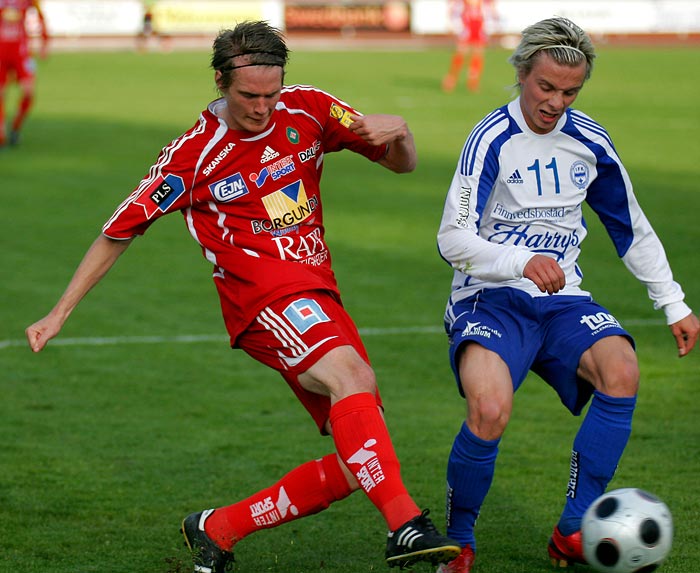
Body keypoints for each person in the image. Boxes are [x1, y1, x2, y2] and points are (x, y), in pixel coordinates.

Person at [25, 20, 461, 573]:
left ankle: (218, 528)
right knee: (352, 380)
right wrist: (59, 312)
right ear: (220, 82)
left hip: (318, 294)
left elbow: (403, 163)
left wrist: (400, 133)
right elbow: (118, 231)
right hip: (262, 303)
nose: (261, 108)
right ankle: (406, 527)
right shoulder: (192, 155)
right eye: (248, 96)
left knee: (360, 464)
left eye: (271, 95)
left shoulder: (311, 109)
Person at [435, 16, 699, 573]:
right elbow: (452, 239)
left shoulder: (590, 142)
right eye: (546, 87)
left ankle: (573, 528)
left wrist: (672, 301)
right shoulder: (490, 140)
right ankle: (458, 541)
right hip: (489, 298)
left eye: (570, 91)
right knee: (489, 409)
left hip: (562, 301)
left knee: (622, 370)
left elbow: (629, 225)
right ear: (522, 75)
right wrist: (519, 261)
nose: (556, 102)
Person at [0, 0, 48, 147]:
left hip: (21, 53)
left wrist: (44, 41)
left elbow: (40, 16)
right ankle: (1, 132)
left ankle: (15, 127)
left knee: (28, 92)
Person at [441, 0, 494, 93]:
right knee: (461, 53)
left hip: (479, 29)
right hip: (466, 29)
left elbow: (489, 15)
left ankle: (473, 80)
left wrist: (487, 30)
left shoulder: (484, 4)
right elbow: (454, 14)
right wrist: (457, 28)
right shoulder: (461, 3)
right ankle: (452, 78)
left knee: (478, 54)